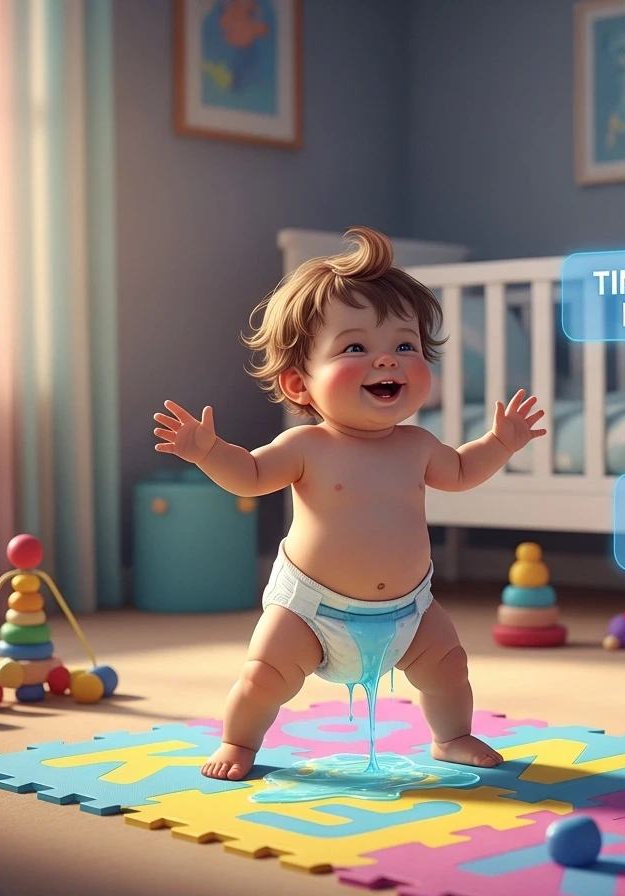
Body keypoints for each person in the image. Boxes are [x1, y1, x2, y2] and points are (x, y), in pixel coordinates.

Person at [153, 226, 545, 780]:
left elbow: (460, 472)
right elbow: (252, 476)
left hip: (409, 609)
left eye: (405, 346)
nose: (387, 362)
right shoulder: (305, 446)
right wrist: (208, 451)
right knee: (264, 677)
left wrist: (499, 444)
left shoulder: (418, 445)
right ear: (299, 385)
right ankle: (239, 742)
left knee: (448, 665)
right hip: (311, 610)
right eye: (355, 348)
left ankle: (452, 736)